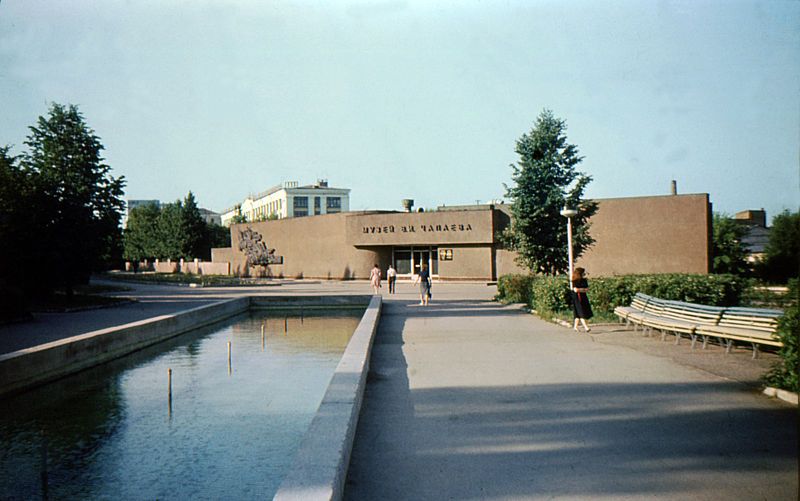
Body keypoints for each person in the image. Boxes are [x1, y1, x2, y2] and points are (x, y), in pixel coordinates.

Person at [571, 267, 593, 332]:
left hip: (583, 297)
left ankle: (575, 327)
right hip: (577, 298)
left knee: (578, 313)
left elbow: (587, 289)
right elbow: (575, 290)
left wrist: (580, 290)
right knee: (581, 312)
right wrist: (582, 290)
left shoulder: (584, 280)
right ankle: (586, 327)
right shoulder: (574, 281)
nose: (584, 274)